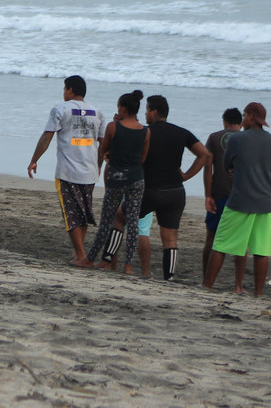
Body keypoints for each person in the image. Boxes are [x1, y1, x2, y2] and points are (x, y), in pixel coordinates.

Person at [203, 102, 271, 296]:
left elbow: (226, 163)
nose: (243, 119)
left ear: (252, 118)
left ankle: (207, 286)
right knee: (261, 250)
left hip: (240, 199)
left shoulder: (238, 139)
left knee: (220, 243)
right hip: (266, 202)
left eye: (246, 115)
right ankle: (258, 293)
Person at [27, 75, 105, 263]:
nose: (63, 92)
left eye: (64, 89)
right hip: (89, 170)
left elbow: (47, 136)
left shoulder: (61, 109)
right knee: (84, 213)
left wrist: (34, 160)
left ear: (70, 90)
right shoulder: (97, 112)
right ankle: (78, 253)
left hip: (67, 171)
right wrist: (99, 166)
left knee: (71, 214)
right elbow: (102, 145)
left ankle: (80, 254)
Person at [138, 95, 211, 281]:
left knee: (120, 219)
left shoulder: (145, 132)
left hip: (150, 189)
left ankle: (107, 259)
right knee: (170, 239)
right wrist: (186, 175)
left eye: (147, 110)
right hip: (174, 191)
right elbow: (204, 155)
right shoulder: (181, 132)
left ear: (154, 112)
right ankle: (168, 278)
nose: (145, 114)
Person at [75, 90, 150, 270]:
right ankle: (128, 265)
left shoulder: (113, 126)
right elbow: (143, 158)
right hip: (136, 177)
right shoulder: (146, 131)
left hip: (117, 176)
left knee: (107, 220)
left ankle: (90, 258)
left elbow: (104, 149)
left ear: (122, 109)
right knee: (132, 222)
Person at [202, 107, 248, 289]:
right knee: (241, 242)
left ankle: (206, 281)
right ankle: (238, 285)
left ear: (224, 122)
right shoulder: (246, 139)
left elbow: (208, 167)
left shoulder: (214, 137)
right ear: (241, 123)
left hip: (218, 194)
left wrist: (208, 194)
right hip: (241, 196)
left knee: (211, 238)